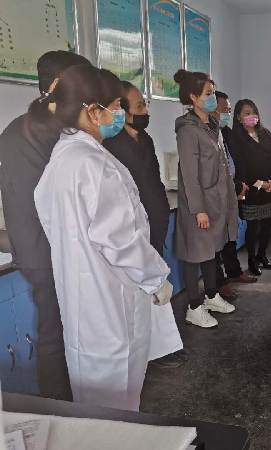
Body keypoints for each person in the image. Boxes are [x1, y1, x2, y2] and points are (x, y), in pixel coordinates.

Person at [30, 64, 173, 411]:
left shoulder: (62, 159)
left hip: (82, 302)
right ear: (93, 111)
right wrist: (156, 280)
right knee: (117, 402)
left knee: (92, 400)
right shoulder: (96, 165)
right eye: (116, 106)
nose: (119, 114)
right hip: (111, 304)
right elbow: (122, 241)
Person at [0, 50, 91, 401]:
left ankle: (85, 403)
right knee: (55, 333)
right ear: (56, 85)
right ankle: (62, 410)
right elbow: (41, 202)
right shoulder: (23, 132)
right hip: (45, 251)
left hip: (65, 245)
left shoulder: (62, 127)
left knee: (76, 331)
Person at [103, 81, 186, 369]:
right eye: (138, 106)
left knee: (157, 288)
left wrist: (162, 213)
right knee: (139, 293)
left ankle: (163, 347)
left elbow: (154, 181)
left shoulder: (145, 139)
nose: (144, 111)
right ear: (122, 111)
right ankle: (149, 352)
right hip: (133, 232)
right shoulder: (110, 146)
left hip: (155, 225)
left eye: (144, 105)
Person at [173, 70, 238, 329]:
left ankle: (211, 297)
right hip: (197, 205)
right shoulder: (188, 130)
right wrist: (199, 210)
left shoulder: (212, 126)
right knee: (194, 255)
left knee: (211, 251)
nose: (213, 98)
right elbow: (190, 175)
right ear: (193, 97)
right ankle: (193, 307)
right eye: (208, 94)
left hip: (215, 201)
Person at [210, 91, 257, 300]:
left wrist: (241, 186)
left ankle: (234, 271)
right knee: (215, 242)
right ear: (212, 109)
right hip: (217, 195)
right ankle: (218, 283)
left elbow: (238, 162)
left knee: (231, 236)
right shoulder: (207, 134)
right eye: (224, 109)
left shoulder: (228, 133)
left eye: (229, 110)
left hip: (234, 192)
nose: (227, 113)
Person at [231, 99, 271, 276]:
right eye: (247, 113)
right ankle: (252, 259)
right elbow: (241, 167)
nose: (252, 116)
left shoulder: (266, 134)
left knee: (267, 226)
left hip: (270, 189)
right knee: (253, 227)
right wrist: (261, 183)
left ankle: (262, 255)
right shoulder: (236, 139)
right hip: (252, 190)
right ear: (238, 117)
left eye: (253, 112)